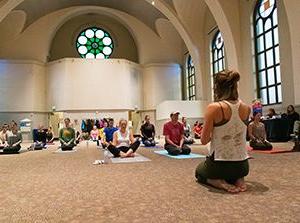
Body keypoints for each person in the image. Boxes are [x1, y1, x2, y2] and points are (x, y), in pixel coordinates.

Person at [195, 70, 251, 193]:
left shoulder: (215, 107)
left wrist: (216, 135)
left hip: (219, 166)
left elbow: (204, 140)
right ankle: (239, 178)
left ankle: (217, 181)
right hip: (243, 167)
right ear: (235, 86)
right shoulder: (247, 108)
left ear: (217, 87)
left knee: (199, 171)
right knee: (233, 169)